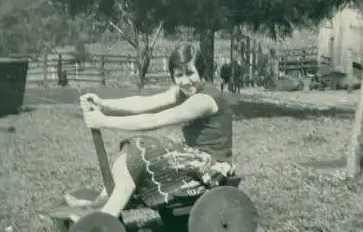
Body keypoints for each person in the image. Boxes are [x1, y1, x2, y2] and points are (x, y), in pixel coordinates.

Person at [65, 43, 236, 218]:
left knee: (139, 151)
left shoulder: (203, 100)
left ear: (201, 71)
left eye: (190, 73)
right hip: (194, 157)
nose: (185, 81)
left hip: (212, 166)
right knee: (133, 150)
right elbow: (143, 103)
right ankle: (101, 204)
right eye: (178, 75)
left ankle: (105, 217)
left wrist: (104, 121)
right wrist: (104, 103)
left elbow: (155, 120)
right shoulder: (182, 93)